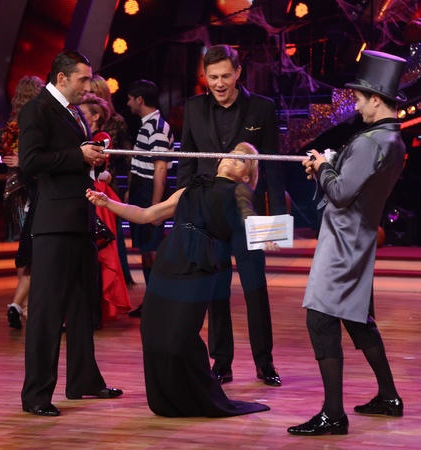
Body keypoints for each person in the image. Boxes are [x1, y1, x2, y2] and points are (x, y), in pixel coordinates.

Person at [86, 142, 275, 417]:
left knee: (179, 338)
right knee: (152, 330)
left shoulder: (239, 190)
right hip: (170, 259)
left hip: (201, 262)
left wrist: (268, 233)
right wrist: (107, 202)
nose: (233, 158)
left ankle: (198, 396)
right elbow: (146, 215)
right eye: (232, 154)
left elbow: (248, 216)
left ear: (246, 176)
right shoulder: (190, 189)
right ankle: (168, 398)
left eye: (241, 160)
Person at [288, 50, 407, 436]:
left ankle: (333, 414)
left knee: (320, 319)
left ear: (376, 99)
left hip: (343, 242)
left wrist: (323, 166)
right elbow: (351, 185)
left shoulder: (373, 141)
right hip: (360, 237)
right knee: (357, 320)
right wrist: (326, 168)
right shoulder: (392, 139)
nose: (355, 105)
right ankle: (388, 396)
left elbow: (340, 194)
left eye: (359, 98)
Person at [17, 50, 122, 417]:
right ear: (61, 78)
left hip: (80, 219)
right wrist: (80, 156)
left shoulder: (73, 111)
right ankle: (36, 395)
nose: (87, 86)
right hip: (54, 224)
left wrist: (91, 159)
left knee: (82, 306)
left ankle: (84, 380)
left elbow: (70, 156)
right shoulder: (38, 110)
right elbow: (30, 162)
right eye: (82, 79)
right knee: (47, 312)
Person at [176, 44, 284, 387]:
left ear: (238, 73)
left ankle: (265, 362)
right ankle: (221, 362)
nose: (219, 84)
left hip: (246, 213)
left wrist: (275, 225)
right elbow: (187, 163)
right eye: (212, 77)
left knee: (256, 288)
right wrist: (183, 216)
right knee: (216, 290)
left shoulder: (262, 108)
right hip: (207, 215)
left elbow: (274, 169)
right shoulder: (193, 107)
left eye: (225, 76)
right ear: (204, 77)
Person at [79, 92, 131, 323]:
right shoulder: (83, 135)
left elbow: (94, 166)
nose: (79, 116)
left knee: (100, 251)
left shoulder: (101, 137)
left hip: (98, 195)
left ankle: (95, 312)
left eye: (84, 113)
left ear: (96, 116)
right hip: (90, 191)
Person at [125, 79, 174, 316]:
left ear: (139, 100)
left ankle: (158, 303)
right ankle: (152, 302)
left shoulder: (158, 127)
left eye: (130, 99)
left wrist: (156, 206)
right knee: (146, 249)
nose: (128, 103)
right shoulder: (148, 125)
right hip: (141, 192)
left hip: (149, 193)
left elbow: (161, 169)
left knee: (152, 249)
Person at [1, 75, 45, 329]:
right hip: (27, 187)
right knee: (31, 247)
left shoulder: (13, 123)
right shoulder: (33, 122)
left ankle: (24, 304)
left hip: (12, 188)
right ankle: (24, 304)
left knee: (24, 248)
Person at [89, 75, 136, 289]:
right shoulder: (81, 121)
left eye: (92, 91)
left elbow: (127, 156)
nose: (87, 94)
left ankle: (119, 280)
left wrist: (129, 185)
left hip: (108, 184)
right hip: (93, 182)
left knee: (112, 237)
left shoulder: (116, 121)